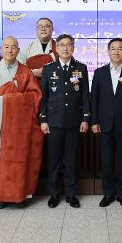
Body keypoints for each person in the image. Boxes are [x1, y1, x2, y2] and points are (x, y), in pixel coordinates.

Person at [0, 36, 43, 209]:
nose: (9, 50)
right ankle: (1, 196)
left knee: (21, 160)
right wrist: (7, 101)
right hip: (0, 122)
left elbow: (35, 95)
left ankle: (19, 195)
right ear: (1, 49)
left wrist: (11, 98)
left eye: (13, 47)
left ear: (18, 50)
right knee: (2, 161)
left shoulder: (25, 71)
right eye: (6, 47)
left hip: (21, 126)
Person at [39, 34, 90, 209]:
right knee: (54, 161)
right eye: (62, 45)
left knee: (71, 160)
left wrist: (85, 118)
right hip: (53, 122)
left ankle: (71, 194)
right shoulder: (48, 69)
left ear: (73, 47)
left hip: (74, 123)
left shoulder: (81, 68)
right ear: (56, 48)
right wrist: (43, 120)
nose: (65, 48)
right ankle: (54, 194)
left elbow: (84, 96)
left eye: (69, 45)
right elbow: (44, 97)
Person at [91, 38, 122, 208]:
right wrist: (94, 121)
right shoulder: (99, 72)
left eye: (120, 49)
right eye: (113, 49)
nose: (116, 52)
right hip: (104, 124)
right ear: (108, 51)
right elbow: (94, 100)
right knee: (106, 160)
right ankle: (108, 193)